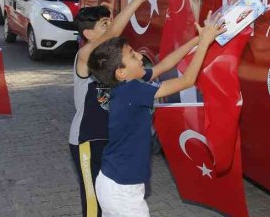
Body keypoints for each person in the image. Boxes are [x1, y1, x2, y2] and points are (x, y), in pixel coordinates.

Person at [90, 13, 224, 217]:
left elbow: (163, 66)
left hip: (114, 183)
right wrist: (205, 43)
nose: (139, 56)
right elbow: (186, 81)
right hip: (122, 191)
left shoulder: (127, 86)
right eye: (133, 56)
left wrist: (198, 38)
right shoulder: (132, 91)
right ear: (121, 72)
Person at [69, 0, 166, 217]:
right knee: (94, 206)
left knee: (113, 201)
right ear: (89, 33)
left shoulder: (113, 61)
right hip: (87, 141)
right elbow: (114, 33)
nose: (110, 27)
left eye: (109, 22)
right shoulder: (85, 56)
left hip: (112, 141)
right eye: (104, 24)